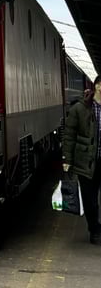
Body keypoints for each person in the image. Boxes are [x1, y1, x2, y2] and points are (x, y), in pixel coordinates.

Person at [63, 75, 101, 245]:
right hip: (87, 160)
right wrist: (67, 160)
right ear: (98, 86)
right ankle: (94, 230)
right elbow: (69, 135)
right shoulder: (80, 108)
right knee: (90, 199)